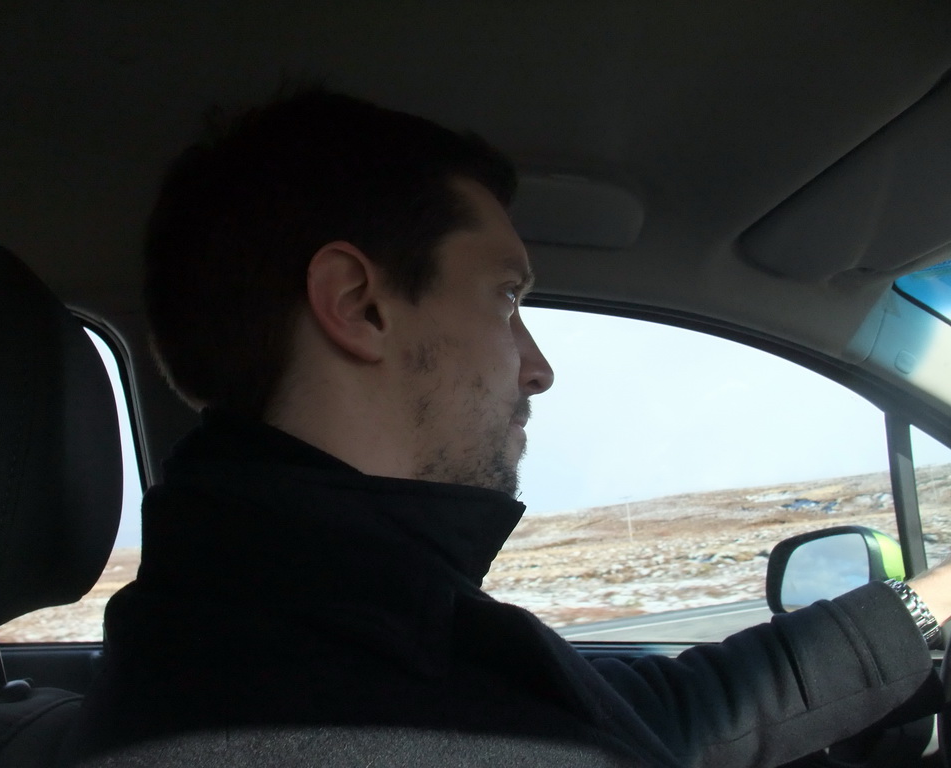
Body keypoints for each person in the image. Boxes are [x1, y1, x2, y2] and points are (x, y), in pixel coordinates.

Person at [74, 88, 950, 767]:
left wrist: (925, 605)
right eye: (506, 297)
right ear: (359, 305)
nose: (536, 366)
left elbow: (662, 715)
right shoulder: (372, 708)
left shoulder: (290, 634)